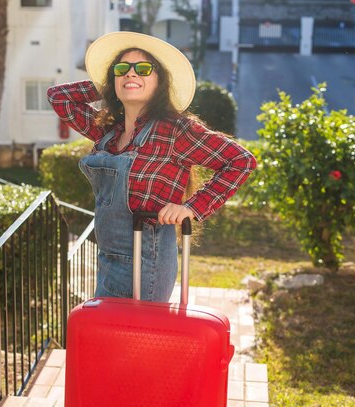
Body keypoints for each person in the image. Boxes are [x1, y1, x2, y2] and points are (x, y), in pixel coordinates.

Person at [47, 31, 256, 303]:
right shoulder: (107, 132)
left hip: (146, 264)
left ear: (161, 82)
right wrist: (111, 84)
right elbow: (58, 97)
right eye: (122, 69)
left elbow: (241, 161)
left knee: (133, 342)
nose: (131, 74)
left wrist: (191, 208)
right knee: (109, 341)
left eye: (143, 69)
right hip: (108, 261)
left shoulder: (175, 130)